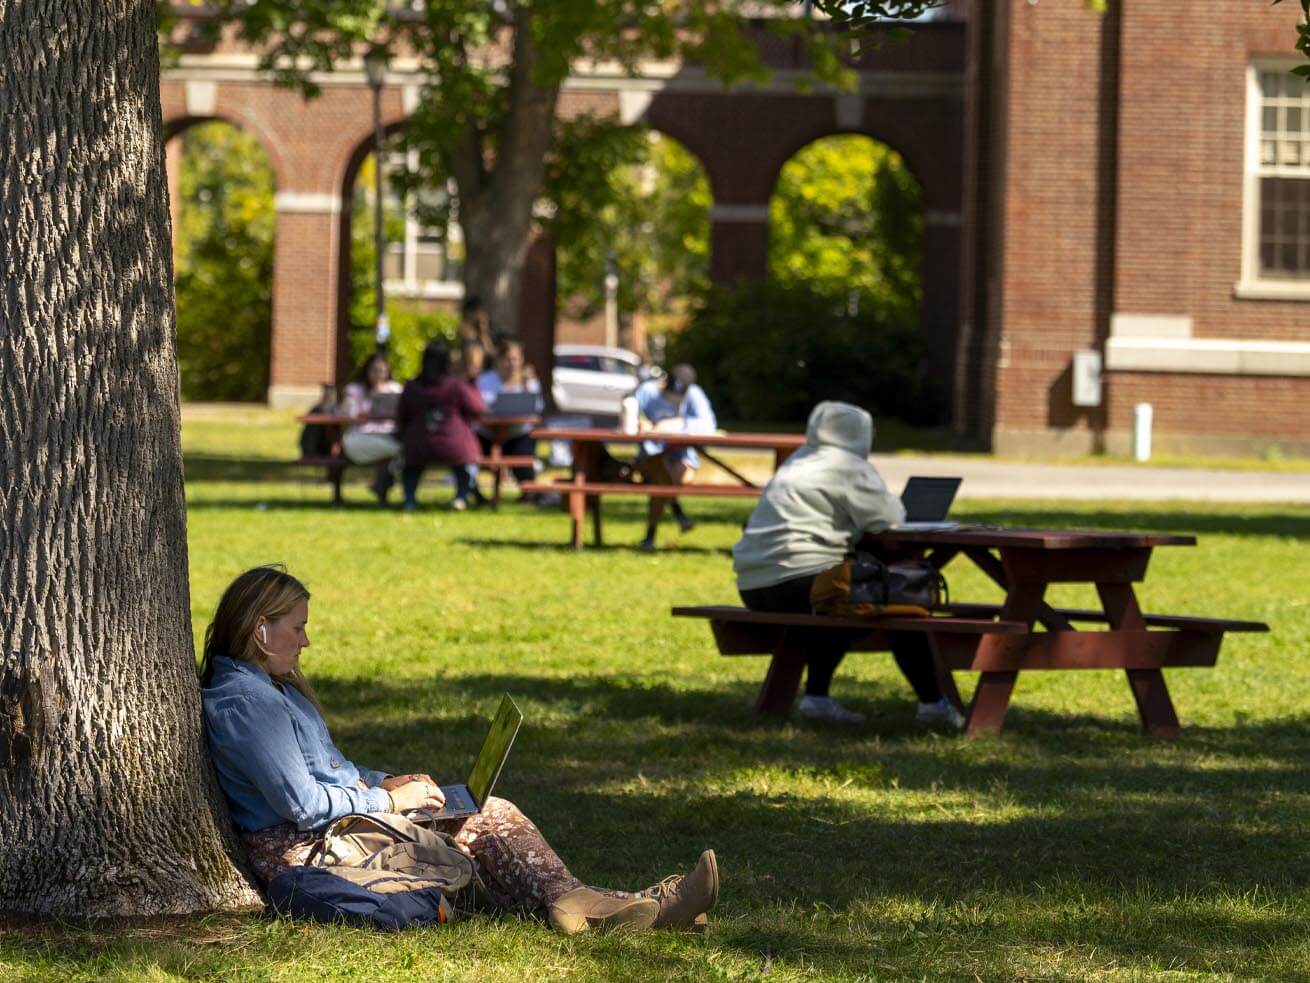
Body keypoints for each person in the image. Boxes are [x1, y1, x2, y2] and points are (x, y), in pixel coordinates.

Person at [200, 566, 719, 933]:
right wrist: (388, 805)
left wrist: (383, 781)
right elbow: (304, 805)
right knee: (486, 817)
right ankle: (606, 905)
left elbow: (325, 770)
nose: (306, 641)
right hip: (306, 846)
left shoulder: (270, 690)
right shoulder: (247, 704)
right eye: (298, 627)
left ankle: (605, 904)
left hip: (330, 827)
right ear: (260, 630)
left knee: (473, 810)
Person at [731, 401, 964, 728]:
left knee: (849, 601)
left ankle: (818, 697)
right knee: (902, 604)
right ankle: (933, 704)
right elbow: (889, 518)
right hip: (806, 581)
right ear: (860, 434)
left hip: (756, 586)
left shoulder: (798, 460)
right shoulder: (848, 466)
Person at [632, 364, 716, 552]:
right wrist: (641, 423)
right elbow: (631, 413)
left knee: (670, 479)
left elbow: (709, 425)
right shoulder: (647, 391)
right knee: (659, 472)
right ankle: (675, 516)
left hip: (681, 454)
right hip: (650, 455)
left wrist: (681, 423)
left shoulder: (694, 394)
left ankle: (650, 537)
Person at [396, 340, 485, 511]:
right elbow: (477, 408)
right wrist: (473, 382)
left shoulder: (412, 386)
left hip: (418, 444)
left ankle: (409, 500)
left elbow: (401, 417)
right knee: (463, 465)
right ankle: (460, 498)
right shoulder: (455, 385)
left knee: (411, 468)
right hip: (453, 445)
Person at [476, 339, 544, 500]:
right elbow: (478, 405)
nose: (512, 364)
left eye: (516, 359)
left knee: (524, 465)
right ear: (498, 360)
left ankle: (529, 494)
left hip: (517, 434)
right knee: (471, 455)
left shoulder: (529, 381)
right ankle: (474, 494)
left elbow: (538, 407)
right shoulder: (485, 380)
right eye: (508, 359)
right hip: (488, 434)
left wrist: (527, 385)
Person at [339, 353, 404, 505]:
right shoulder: (354, 390)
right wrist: (362, 413)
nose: (378, 375)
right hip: (362, 436)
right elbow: (347, 414)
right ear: (367, 371)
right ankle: (381, 487)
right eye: (374, 371)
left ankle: (381, 486)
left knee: (399, 450)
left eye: (382, 371)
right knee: (398, 451)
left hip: (387, 435)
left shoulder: (395, 389)